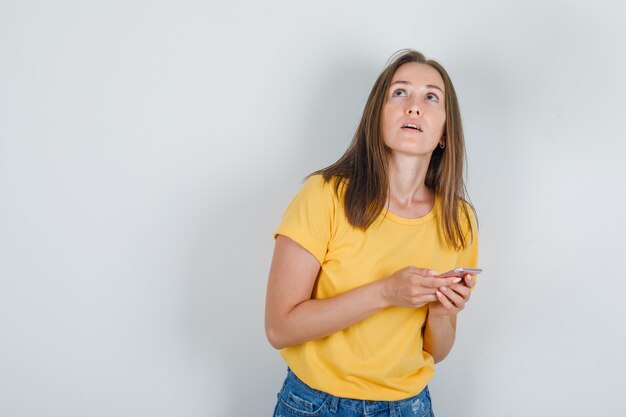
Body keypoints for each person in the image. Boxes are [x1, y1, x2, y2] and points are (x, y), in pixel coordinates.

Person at [264, 49, 479, 417]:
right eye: (400, 93)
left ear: (445, 131)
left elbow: (436, 351)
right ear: (377, 117)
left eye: (431, 97)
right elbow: (279, 328)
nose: (414, 107)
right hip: (314, 406)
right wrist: (386, 292)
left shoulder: (458, 220)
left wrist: (442, 313)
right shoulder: (323, 196)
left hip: (409, 407)